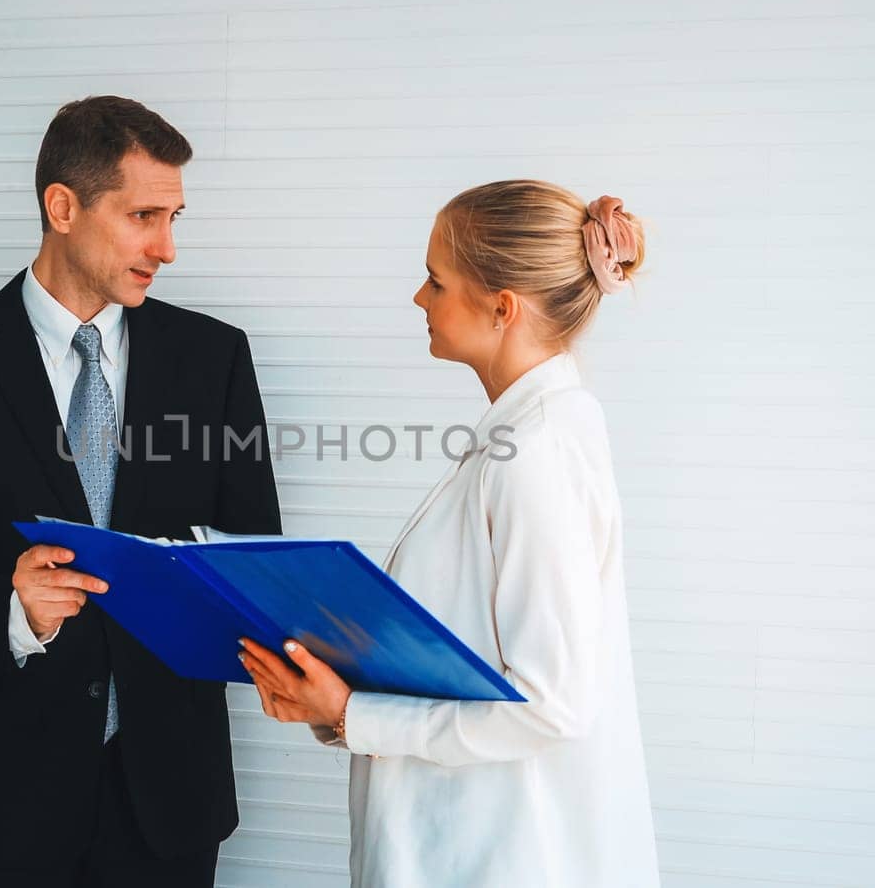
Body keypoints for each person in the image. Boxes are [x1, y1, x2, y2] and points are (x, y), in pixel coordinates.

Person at [0, 95, 281, 887]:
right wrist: (10, 610)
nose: (166, 247)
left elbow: (254, 561)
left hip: (168, 805)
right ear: (63, 206)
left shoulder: (215, 358)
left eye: (175, 218)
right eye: (143, 216)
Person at [239, 181, 660, 886]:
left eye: (437, 281)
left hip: (495, 856)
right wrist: (339, 702)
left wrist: (354, 715)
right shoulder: (530, 431)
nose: (419, 298)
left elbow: (550, 705)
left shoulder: (537, 451)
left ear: (502, 308)